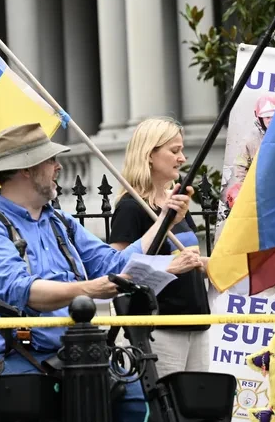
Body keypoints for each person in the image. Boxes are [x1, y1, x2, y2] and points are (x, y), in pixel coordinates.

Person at [0, 123, 203, 422]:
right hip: (17, 359)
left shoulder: (60, 221)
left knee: (137, 402)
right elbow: (25, 293)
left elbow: (115, 265)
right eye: (50, 161)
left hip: (78, 351)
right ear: (26, 169)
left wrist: (164, 221)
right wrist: (89, 289)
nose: (58, 166)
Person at [108, 117, 212, 378]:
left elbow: (190, 260)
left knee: (199, 411)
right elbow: (117, 270)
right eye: (174, 151)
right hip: (159, 329)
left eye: (181, 150)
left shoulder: (177, 202)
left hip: (196, 323)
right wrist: (172, 266)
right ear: (150, 155)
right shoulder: (131, 207)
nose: (183, 158)